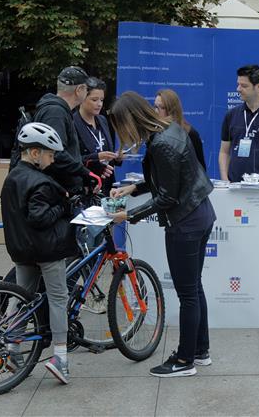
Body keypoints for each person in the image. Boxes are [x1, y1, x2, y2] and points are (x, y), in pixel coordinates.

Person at [108, 92, 215, 377]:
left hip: (186, 223)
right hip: (200, 214)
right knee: (194, 287)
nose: (121, 134)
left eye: (120, 127)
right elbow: (170, 180)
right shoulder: (169, 130)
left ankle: (184, 361)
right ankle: (199, 351)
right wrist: (133, 189)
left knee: (188, 293)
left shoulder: (162, 142)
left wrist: (128, 215)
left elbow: (167, 196)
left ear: (130, 120)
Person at [1, 122, 77, 384]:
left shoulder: (12, 177)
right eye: (50, 154)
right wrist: (64, 206)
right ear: (35, 153)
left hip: (21, 249)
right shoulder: (42, 183)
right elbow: (40, 217)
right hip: (47, 250)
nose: (53, 159)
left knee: (21, 297)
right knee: (58, 297)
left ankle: (12, 348)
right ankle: (60, 358)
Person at [31, 66, 97, 194]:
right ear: (79, 90)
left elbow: (64, 153)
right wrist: (84, 173)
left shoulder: (58, 111)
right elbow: (55, 153)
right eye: (87, 89)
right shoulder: (55, 113)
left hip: (59, 189)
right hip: (57, 192)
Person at [73, 77, 121, 197]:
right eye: (94, 100)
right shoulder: (72, 123)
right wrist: (96, 158)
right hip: (87, 188)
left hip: (108, 186)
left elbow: (105, 152)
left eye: (101, 100)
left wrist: (116, 157)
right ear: (82, 98)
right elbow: (70, 160)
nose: (99, 104)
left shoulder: (102, 120)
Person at [155, 88, 206, 170]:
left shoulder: (190, 134)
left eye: (161, 107)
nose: (156, 111)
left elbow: (201, 169)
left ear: (172, 110)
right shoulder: (156, 133)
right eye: (155, 107)